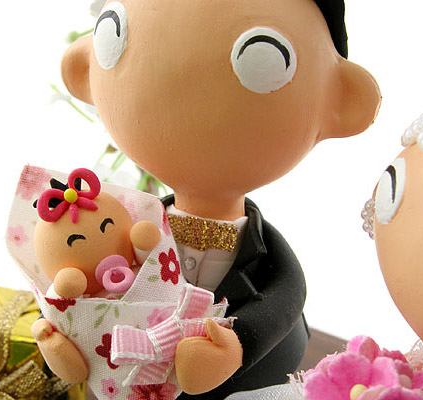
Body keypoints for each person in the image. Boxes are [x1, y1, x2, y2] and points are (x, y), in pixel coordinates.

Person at [48, 0, 381, 397]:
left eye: (262, 59)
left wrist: (236, 346)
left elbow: (285, 297)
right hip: (135, 373)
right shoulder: (125, 225)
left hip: (249, 381)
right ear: (84, 68)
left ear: (342, 101)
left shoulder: (268, 254)